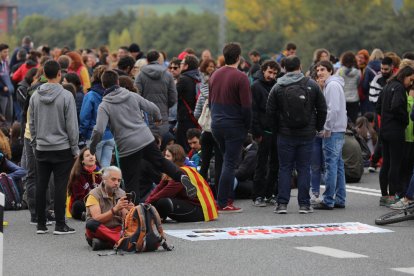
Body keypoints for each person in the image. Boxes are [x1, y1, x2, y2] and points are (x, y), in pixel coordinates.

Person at [89, 70, 197, 203]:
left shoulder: (104, 106)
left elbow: (99, 130)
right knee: (161, 162)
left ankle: (134, 214)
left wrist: (92, 147)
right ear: (117, 82)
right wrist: (157, 118)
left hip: (127, 147)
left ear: (103, 85)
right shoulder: (131, 96)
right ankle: (181, 176)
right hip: (145, 139)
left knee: (131, 181)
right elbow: (153, 108)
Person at [267, 56, 327, 214]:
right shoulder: (311, 84)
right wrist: (317, 127)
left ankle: (282, 204)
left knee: (285, 168)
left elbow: (270, 111)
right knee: (304, 168)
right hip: (307, 134)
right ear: (300, 66)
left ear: (284, 68)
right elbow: (322, 108)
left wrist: (276, 129)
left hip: (285, 134)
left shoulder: (278, 86)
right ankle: (304, 205)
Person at [29, 60, 79, 234]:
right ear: (60, 73)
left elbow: (32, 122)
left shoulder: (35, 95)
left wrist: (35, 142)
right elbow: (72, 125)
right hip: (62, 147)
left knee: (41, 185)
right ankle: (59, 224)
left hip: (42, 147)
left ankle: (41, 223)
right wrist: (75, 148)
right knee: (60, 186)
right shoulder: (66, 96)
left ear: (43, 74)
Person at [209, 42, 251, 213]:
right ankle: (224, 201)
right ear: (239, 57)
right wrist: (247, 127)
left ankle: (222, 198)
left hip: (216, 123)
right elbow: (247, 107)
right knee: (230, 163)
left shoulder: (214, 75)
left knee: (225, 160)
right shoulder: (241, 77)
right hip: (234, 124)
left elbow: (210, 102)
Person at [145, 144, 217, 222]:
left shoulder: (182, 172)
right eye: (165, 156)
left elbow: (165, 192)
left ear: (176, 159)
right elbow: (158, 188)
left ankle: (156, 216)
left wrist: (147, 205)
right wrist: (146, 203)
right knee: (157, 202)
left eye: (168, 156)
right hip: (189, 204)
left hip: (201, 210)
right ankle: (156, 216)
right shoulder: (172, 172)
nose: (165, 159)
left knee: (163, 202)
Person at [376, 66, 414, 206]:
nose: (411, 83)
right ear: (405, 76)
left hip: (384, 129)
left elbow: (378, 106)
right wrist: (404, 119)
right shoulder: (398, 88)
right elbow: (397, 106)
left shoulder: (388, 85)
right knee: (395, 164)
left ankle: (384, 196)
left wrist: (386, 118)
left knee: (386, 163)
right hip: (396, 130)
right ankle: (392, 195)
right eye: (410, 79)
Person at [312, 60, 347, 210]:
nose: (319, 73)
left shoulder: (332, 86)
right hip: (338, 129)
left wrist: (327, 128)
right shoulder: (333, 84)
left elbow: (333, 110)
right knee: (338, 165)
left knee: (330, 165)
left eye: (323, 69)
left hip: (333, 130)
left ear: (330, 71)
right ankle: (340, 198)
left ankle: (328, 200)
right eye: (318, 70)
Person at [251, 60, 280, 207]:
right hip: (263, 131)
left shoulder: (277, 86)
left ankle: (270, 193)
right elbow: (253, 111)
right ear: (263, 71)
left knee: (275, 164)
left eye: (274, 73)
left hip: (276, 130)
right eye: (269, 72)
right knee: (261, 164)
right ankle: (258, 195)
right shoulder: (256, 86)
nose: (272, 75)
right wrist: (257, 132)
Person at [85, 166, 133, 250]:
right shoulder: (94, 194)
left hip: (116, 230)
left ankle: (107, 244)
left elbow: (126, 219)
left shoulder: (121, 193)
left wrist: (131, 210)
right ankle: (123, 242)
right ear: (104, 179)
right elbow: (97, 218)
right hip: (100, 230)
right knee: (91, 224)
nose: (116, 183)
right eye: (113, 179)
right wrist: (115, 209)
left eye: (119, 180)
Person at [134, 50, 177, 136]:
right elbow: (173, 97)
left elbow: (136, 96)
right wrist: (165, 106)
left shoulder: (140, 75)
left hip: (146, 116)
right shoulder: (168, 75)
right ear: (158, 59)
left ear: (147, 60)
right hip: (163, 115)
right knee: (163, 142)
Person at [79, 66, 114, 168]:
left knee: (94, 168)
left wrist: (82, 134)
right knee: (105, 168)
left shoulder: (91, 95)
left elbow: (84, 117)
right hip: (110, 136)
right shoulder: (114, 94)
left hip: (93, 135)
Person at [67, 148, 102, 221]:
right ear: (82, 160)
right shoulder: (77, 175)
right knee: (77, 206)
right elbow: (79, 196)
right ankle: (92, 215)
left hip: (100, 202)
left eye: (92, 155)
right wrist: (93, 202)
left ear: (95, 158)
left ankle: (92, 215)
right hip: (85, 203)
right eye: (87, 155)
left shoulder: (101, 173)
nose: (91, 157)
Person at [176, 55, 202, 151]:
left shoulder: (183, 79)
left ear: (186, 66)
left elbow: (174, 95)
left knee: (183, 144)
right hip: (196, 116)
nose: (180, 65)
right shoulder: (198, 77)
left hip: (185, 117)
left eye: (182, 63)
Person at [336, 51, 360, 123]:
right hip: (354, 99)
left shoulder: (339, 71)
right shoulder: (358, 72)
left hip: (343, 99)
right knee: (353, 120)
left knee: (343, 121)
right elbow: (358, 84)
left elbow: (337, 83)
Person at [0, 43, 14, 123]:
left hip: (9, 91)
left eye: (7, 52)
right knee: (2, 116)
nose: (7, 54)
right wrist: (2, 87)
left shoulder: (6, 63)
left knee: (10, 114)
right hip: (2, 93)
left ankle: (9, 132)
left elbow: (8, 75)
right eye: (4, 52)